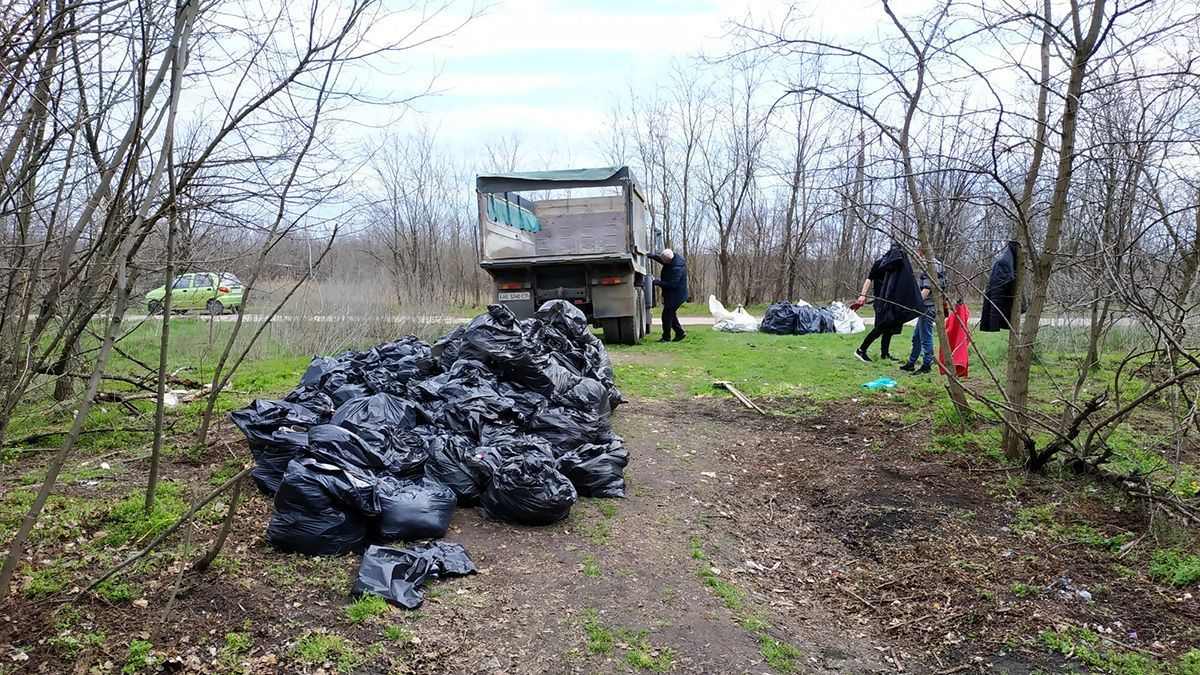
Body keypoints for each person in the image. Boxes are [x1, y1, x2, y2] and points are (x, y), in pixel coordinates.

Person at [853, 241, 924, 363]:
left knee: (890, 327)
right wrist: (862, 295)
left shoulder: (899, 267)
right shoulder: (880, 264)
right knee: (880, 326)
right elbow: (869, 279)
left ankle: (884, 354)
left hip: (892, 301)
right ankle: (861, 350)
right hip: (880, 301)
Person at [900, 244, 946, 375]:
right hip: (927, 305)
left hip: (928, 306)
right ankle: (911, 362)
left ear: (922, 252)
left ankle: (927, 365)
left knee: (926, 337)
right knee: (916, 337)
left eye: (918, 254)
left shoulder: (931, 266)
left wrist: (915, 303)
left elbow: (927, 289)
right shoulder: (936, 264)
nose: (918, 257)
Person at [649, 248, 687, 342]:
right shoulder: (673, 260)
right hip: (673, 295)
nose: (663, 262)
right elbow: (663, 261)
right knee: (671, 315)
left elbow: (672, 285)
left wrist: (658, 282)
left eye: (664, 260)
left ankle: (666, 337)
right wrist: (653, 257)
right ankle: (680, 333)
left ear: (668, 260)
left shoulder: (676, 268)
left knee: (666, 316)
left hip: (676, 295)